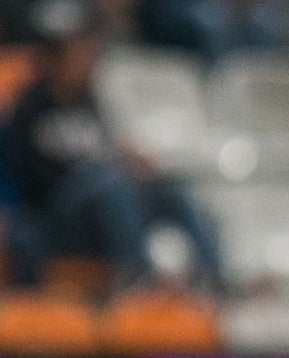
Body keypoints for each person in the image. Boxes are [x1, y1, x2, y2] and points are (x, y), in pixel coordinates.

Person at [6, 0, 223, 293]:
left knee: (168, 189)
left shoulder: (93, 103)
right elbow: (32, 182)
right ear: (51, 59)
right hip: (56, 217)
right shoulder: (28, 110)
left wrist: (132, 162)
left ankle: (212, 281)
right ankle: (137, 280)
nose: (90, 58)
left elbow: (110, 151)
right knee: (109, 183)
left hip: (103, 204)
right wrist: (108, 167)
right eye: (78, 51)